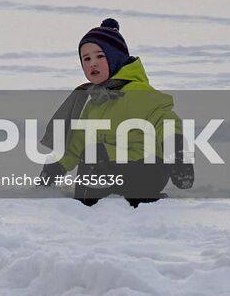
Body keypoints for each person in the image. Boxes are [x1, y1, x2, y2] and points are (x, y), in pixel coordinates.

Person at [39, 19, 193, 207]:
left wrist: (178, 157)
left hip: (148, 169)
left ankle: (84, 206)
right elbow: (78, 141)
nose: (92, 64)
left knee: (94, 153)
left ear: (115, 57)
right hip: (116, 170)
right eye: (86, 59)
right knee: (92, 153)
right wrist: (57, 166)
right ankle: (94, 198)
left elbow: (167, 122)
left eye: (99, 56)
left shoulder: (139, 91)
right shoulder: (95, 103)